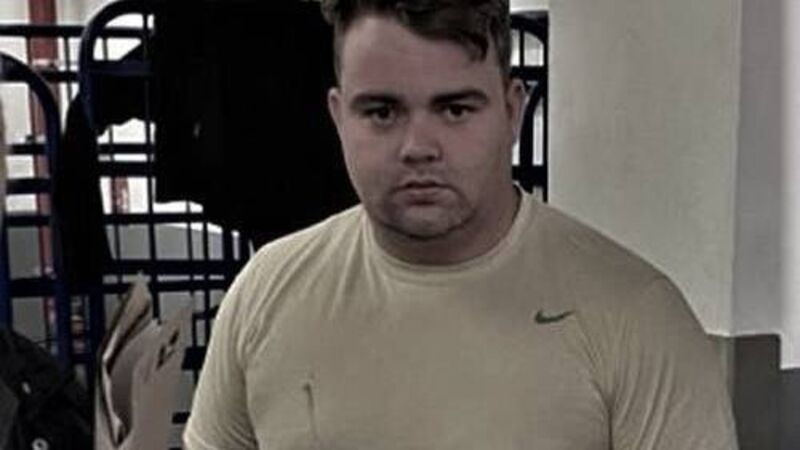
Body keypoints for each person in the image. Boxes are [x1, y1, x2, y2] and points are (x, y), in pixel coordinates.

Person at [184, 1, 738, 448]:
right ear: (338, 116)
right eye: (381, 112)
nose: (418, 147)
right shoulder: (266, 294)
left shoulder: (636, 317)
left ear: (512, 112)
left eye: (455, 109)